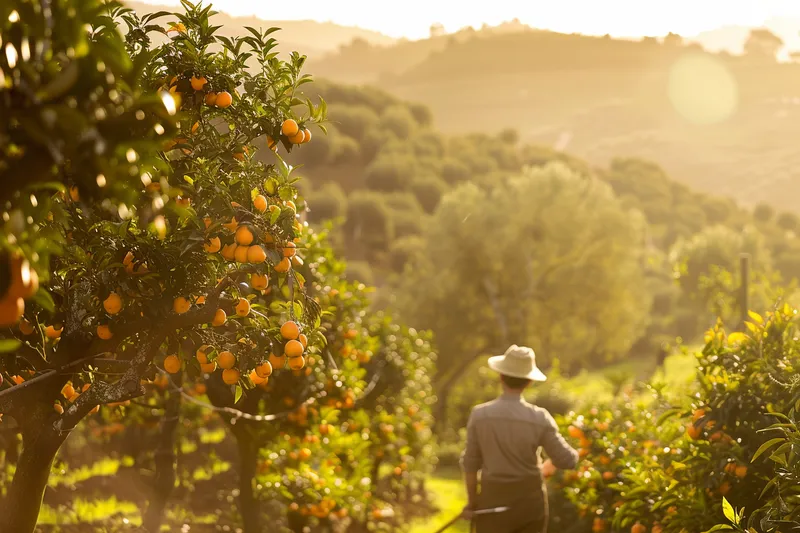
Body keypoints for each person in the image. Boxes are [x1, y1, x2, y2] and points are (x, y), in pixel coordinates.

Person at [460, 344, 579, 533]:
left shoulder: (480, 415)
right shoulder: (540, 418)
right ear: (529, 381)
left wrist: (472, 503)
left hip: (492, 504)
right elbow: (567, 460)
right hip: (530, 507)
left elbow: (470, 464)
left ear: (501, 376)